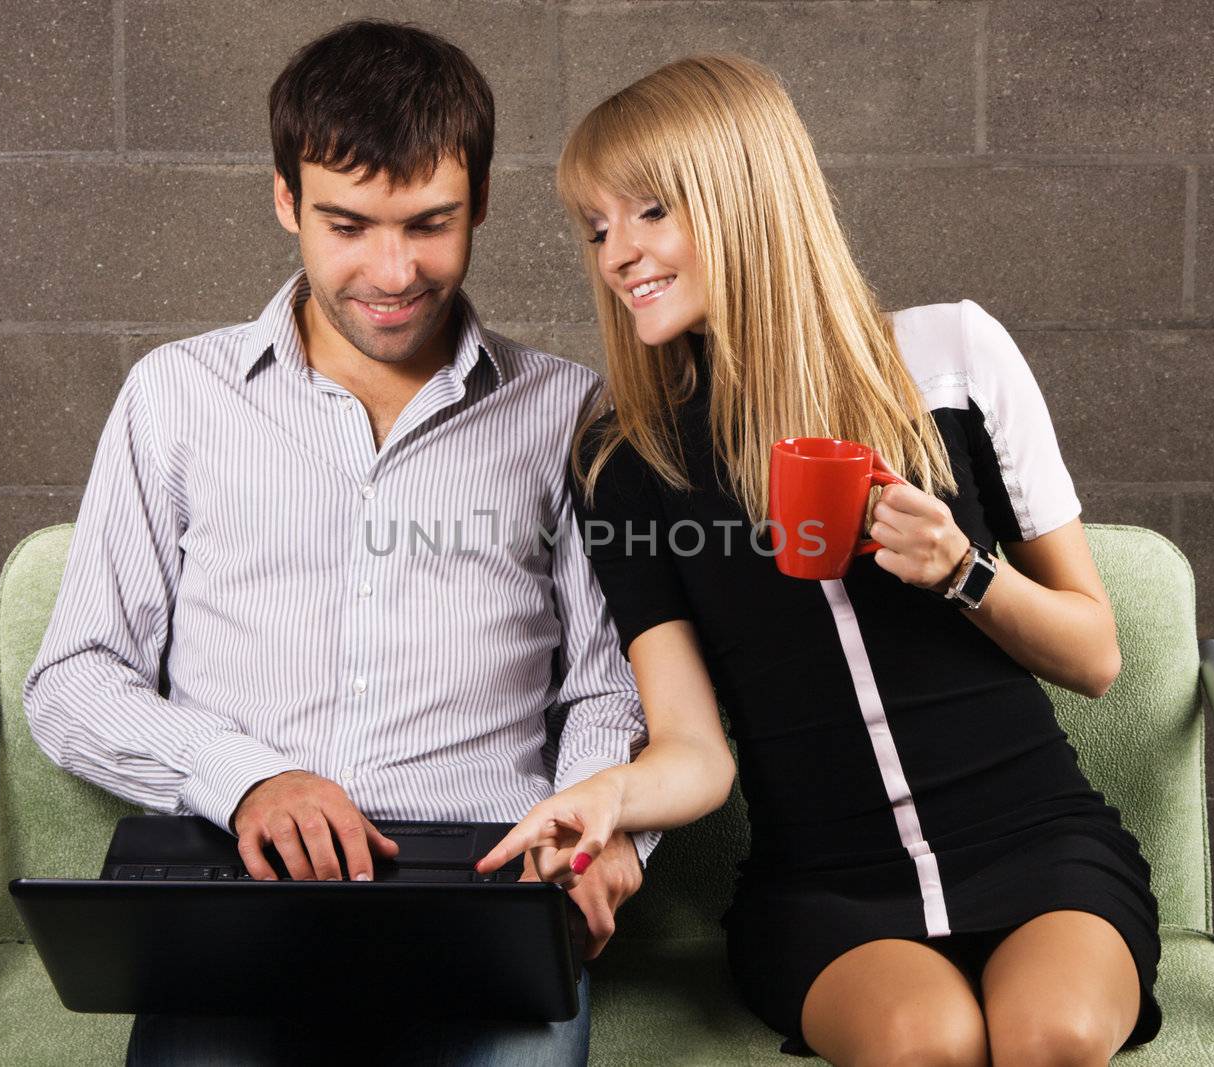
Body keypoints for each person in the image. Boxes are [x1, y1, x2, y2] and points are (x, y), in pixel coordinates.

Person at [477, 54, 1162, 1066]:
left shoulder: (952, 360)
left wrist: (962, 569)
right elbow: (695, 750)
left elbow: (1093, 652)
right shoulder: (628, 459)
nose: (617, 253)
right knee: (925, 1040)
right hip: (829, 883)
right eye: (596, 227)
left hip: (1039, 841)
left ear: (743, 194)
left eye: (649, 213)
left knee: (1047, 1034)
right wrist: (606, 796)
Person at [23, 20, 657, 1066]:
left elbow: (605, 687)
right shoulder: (176, 396)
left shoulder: (569, 412)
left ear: (482, 203)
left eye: (429, 223)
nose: (392, 269)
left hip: (484, 892)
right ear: (286, 201)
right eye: (348, 224)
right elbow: (74, 677)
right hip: (239, 887)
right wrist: (246, 778)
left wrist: (602, 830)